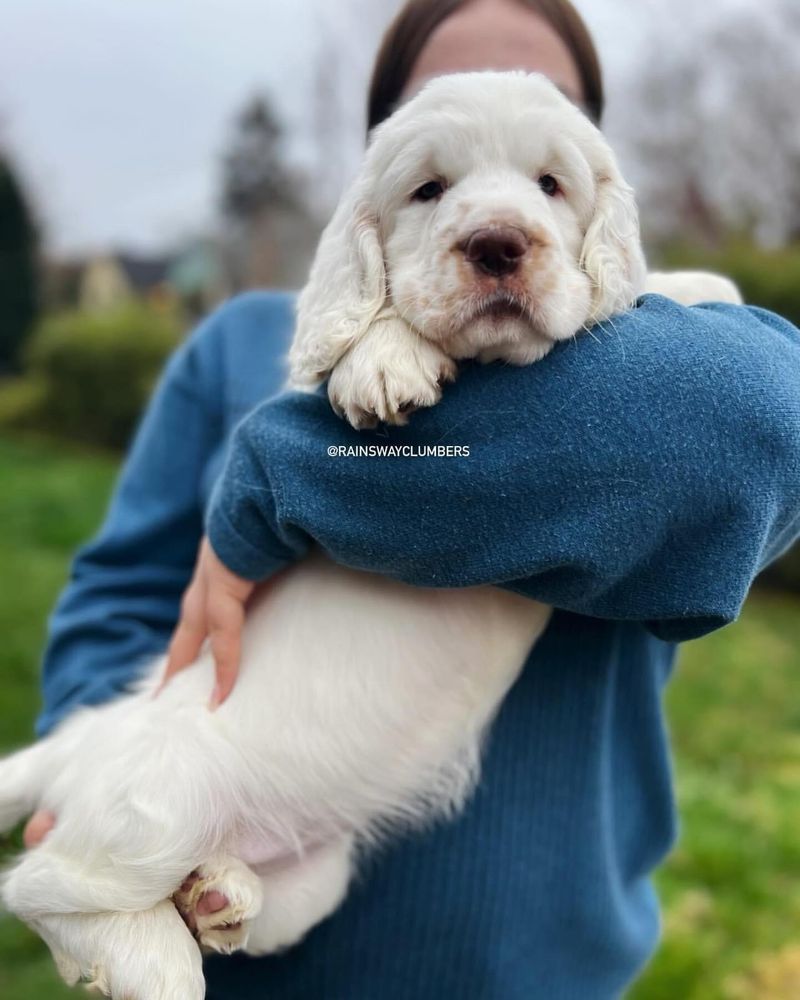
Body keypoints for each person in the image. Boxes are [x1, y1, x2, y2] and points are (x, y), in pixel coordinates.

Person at [24, 1, 800, 998]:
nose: (494, 217)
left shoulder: (691, 345)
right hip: (262, 935)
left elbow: (753, 425)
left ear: (593, 196)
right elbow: (121, 587)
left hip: (546, 970)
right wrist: (94, 764)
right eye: (437, 173)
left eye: (542, 163)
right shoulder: (232, 343)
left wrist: (278, 475)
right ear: (377, 182)